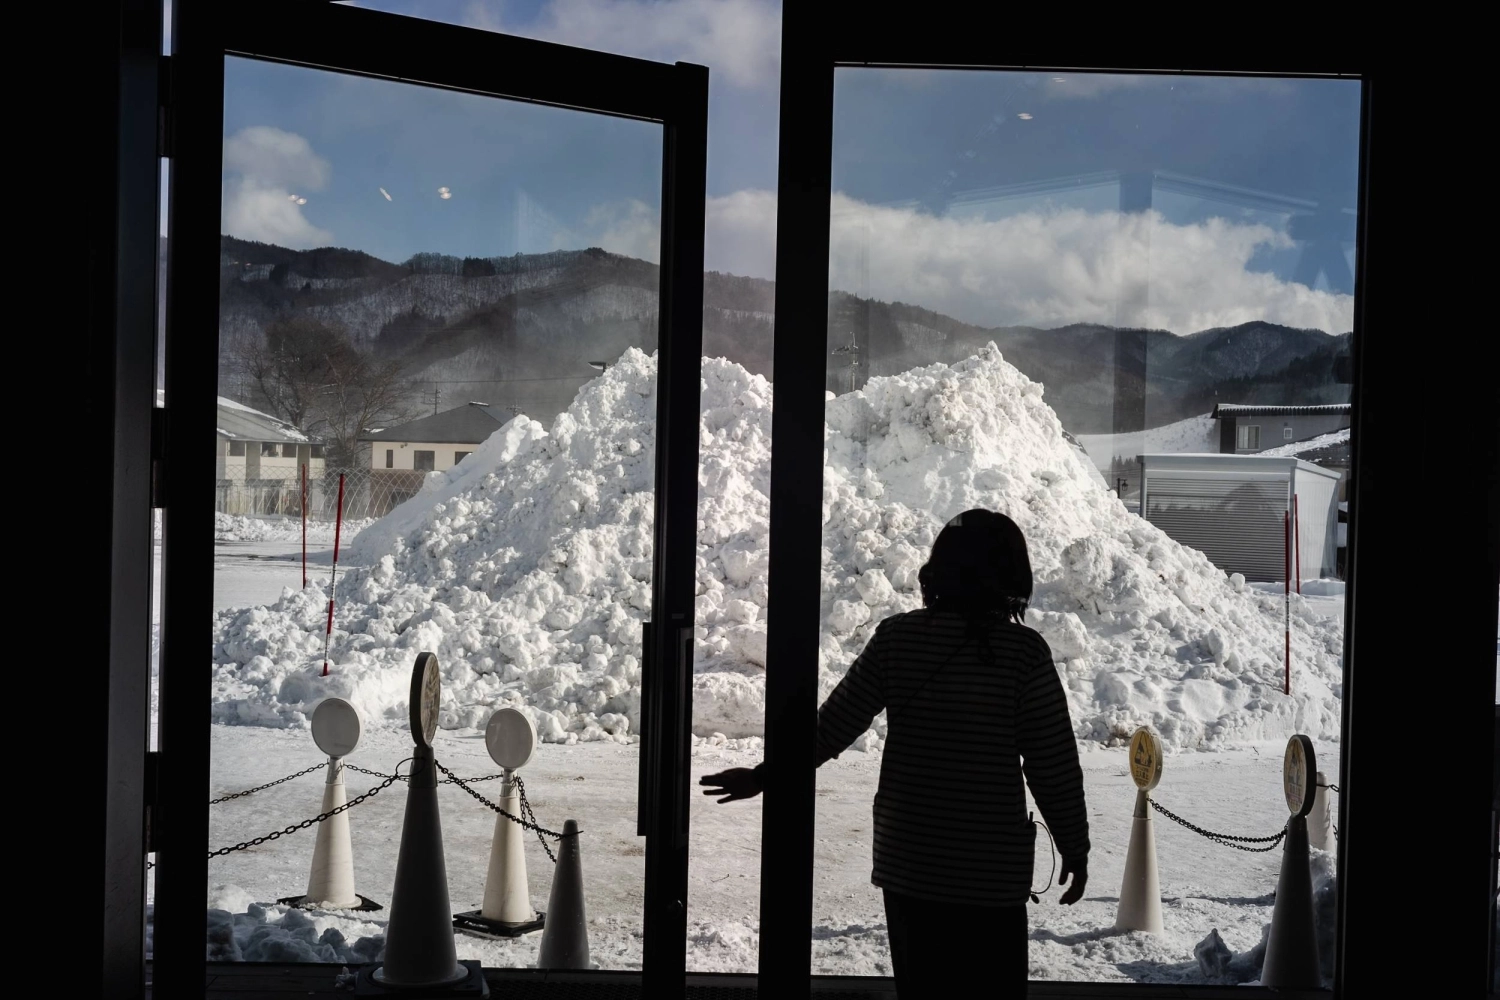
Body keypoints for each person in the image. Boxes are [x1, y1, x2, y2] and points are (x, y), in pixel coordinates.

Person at [701, 509, 1090, 997]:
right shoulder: (1024, 653)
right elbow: (1052, 765)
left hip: (911, 861)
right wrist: (1075, 845)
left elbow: (830, 728)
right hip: (989, 870)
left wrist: (765, 775)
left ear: (937, 570)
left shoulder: (898, 639)